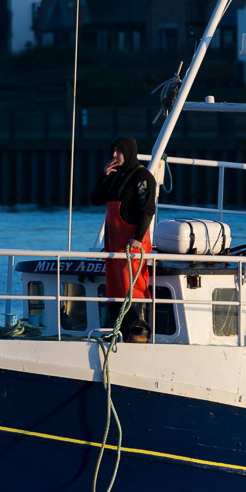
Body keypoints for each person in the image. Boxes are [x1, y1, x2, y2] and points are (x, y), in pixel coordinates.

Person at [90, 136, 157, 343]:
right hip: (113, 245)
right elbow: (95, 199)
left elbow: (148, 209)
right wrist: (104, 176)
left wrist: (137, 238)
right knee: (115, 286)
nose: (114, 155)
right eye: (113, 150)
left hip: (131, 244)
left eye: (118, 151)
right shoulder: (115, 176)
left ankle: (139, 331)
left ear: (128, 152)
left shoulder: (143, 176)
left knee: (133, 284)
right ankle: (116, 329)